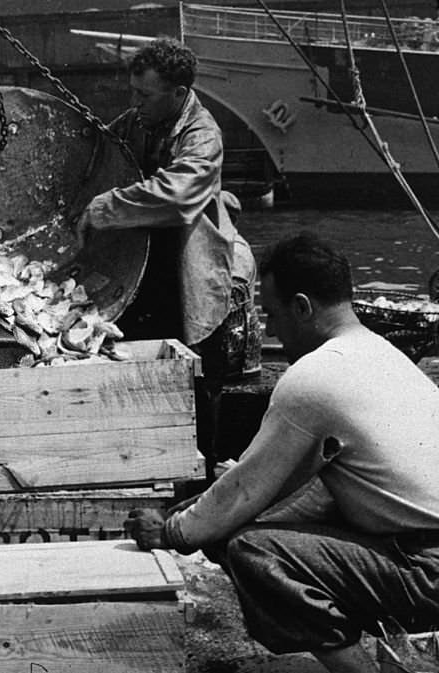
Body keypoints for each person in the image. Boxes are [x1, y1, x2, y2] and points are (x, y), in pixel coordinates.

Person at [124, 233, 439, 673]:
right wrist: (196, 514)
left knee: (252, 550)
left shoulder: (315, 378)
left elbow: (244, 490)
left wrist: (173, 533)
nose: (270, 331)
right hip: (419, 549)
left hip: (427, 570)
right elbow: (317, 494)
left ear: (303, 307)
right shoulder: (383, 355)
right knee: (228, 526)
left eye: (272, 315)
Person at [74, 37, 259, 462]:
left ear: (179, 94)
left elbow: (176, 196)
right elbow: (101, 155)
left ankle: (199, 474)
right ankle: (138, 462)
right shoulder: (137, 120)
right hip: (140, 271)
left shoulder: (202, 135)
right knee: (134, 365)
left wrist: (104, 206)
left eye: (144, 94)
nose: (134, 102)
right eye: (132, 92)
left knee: (194, 379)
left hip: (188, 270)